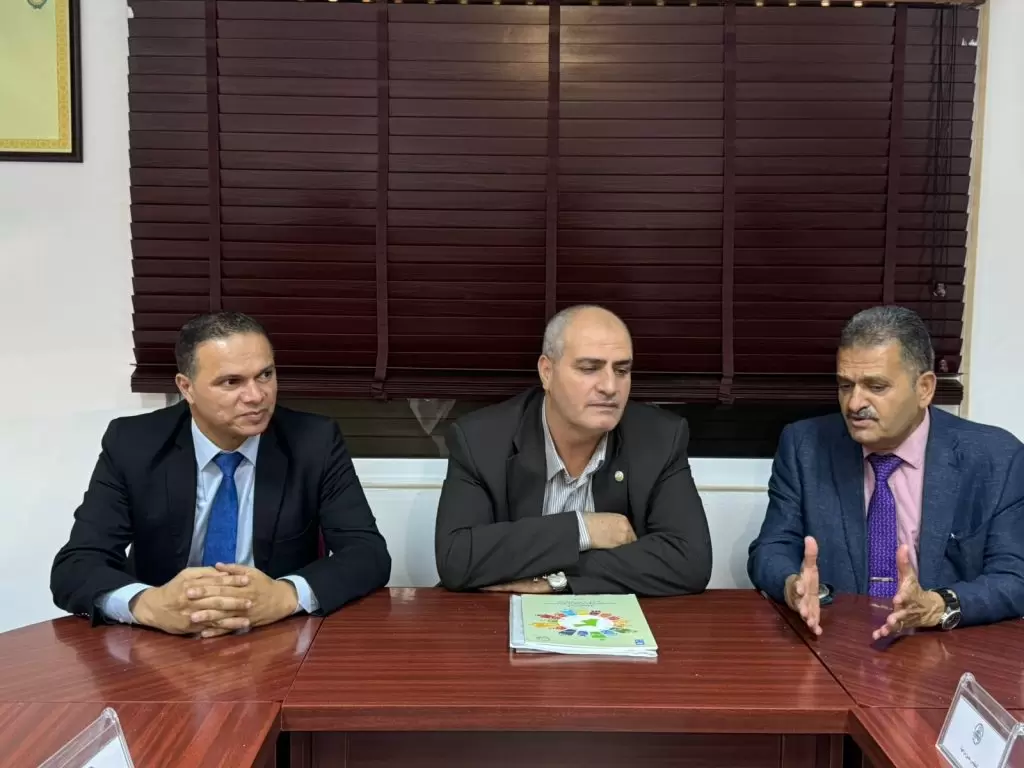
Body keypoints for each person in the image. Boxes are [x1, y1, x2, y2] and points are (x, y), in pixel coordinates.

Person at [51, 312, 390, 637]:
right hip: (163, 641)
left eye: (265, 375)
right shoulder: (133, 444)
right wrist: (149, 605)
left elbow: (367, 554)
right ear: (187, 387)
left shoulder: (313, 442)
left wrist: (285, 595)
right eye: (231, 382)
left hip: (276, 635)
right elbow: (76, 565)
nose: (256, 396)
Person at [748, 306, 1024, 637]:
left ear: (924, 388)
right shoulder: (805, 446)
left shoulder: (996, 458)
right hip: (837, 640)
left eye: (876, 387)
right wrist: (792, 585)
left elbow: (1015, 576)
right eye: (845, 385)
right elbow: (771, 549)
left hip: (944, 644)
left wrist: (938, 605)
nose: (854, 404)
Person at [434, 305, 713, 596]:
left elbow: (690, 560)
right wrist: (583, 529)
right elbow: (457, 557)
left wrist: (558, 580)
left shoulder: (659, 438)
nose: (610, 386)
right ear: (547, 372)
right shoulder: (481, 439)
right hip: (495, 616)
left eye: (621, 370)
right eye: (589, 369)